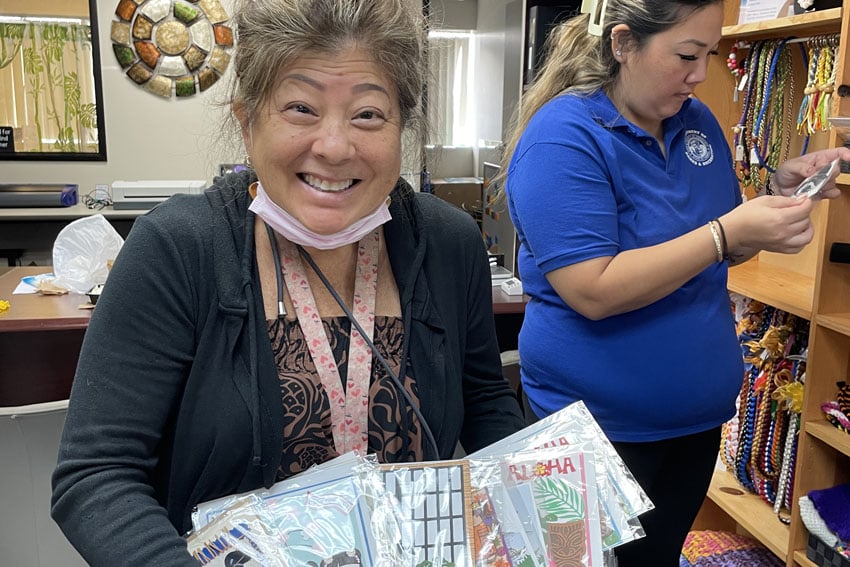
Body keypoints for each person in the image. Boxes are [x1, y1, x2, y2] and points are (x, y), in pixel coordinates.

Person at [50, 1, 525, 564]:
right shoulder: (178, 249)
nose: (334, 146)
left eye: (368, 114)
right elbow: (96, 474)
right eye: (301, 108)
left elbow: (483, 399)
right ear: (248, 123)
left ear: (403, 126)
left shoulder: (447, 244)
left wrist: (536, 508)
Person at [501, 1, 850, 565]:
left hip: (692, 425)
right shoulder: (562, 138)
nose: (699, 74)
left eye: (710, 55)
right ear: (623, 44)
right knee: (572, 561)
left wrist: (774, 205)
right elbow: (593, 289)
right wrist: (725, 231)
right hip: (590, 436)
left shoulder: (696, 120)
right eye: (686, 55)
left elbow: (718, 250)